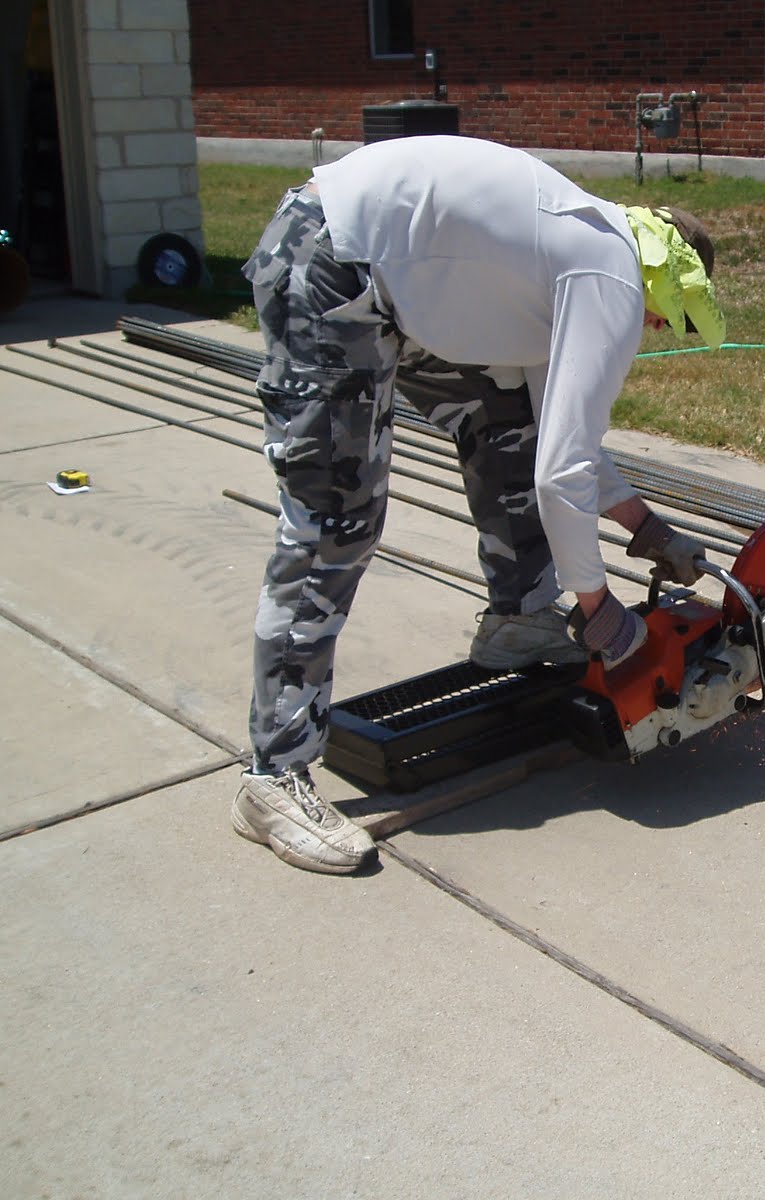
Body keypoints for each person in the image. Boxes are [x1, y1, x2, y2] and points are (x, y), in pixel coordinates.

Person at [230, 135, 725, 875]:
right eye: (674, 314)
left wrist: (647, 529)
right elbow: (563, 474)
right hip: (332, 263)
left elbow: (557, 437)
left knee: (505, 416)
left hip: (371, 267)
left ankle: (520, 622)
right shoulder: (611, 273)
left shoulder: (576, 254)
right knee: (335, 519)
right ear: (669, 276)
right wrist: (599, 610)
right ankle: (273, 774)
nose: (663, 330)